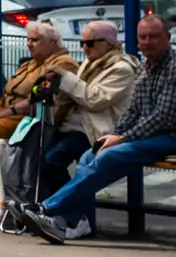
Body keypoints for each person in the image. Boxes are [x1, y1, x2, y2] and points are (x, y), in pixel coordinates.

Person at [26, 13, 174, 244]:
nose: (147, 42)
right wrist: (116, 134)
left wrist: (122, 137)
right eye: (142, 37)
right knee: (91, 154)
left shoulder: (169, 68)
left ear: (168, 37)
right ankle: (66, 222)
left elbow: (163, 117)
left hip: (169, 135)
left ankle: (47, 209)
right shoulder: (145, 68)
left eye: (154, 37)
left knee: (110, 155)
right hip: (146, 133)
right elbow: (133, 111)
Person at [0, 18, 77, 228]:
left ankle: (4, 207)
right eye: (28, 40)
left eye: (36, 40)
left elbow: (43, 101)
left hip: (33, 123)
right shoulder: (28, 65)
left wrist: (7, 111)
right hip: (7, 120)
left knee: (2, 146)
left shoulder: (62, 64)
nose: (30, 44)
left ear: (53, 41)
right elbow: (5, 95)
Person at [39, 19, 141, 198]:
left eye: (90, 43)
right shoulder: (91, 62)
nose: (85, 48)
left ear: (108, 43)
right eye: (82, 43)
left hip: (97, 132)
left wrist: (66, 77)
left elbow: (94, 99)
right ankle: (57, 209)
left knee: (51, 160)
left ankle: (70, 210)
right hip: (77, 126)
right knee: (35, 154)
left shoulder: (121, 68)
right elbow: (76, 93)